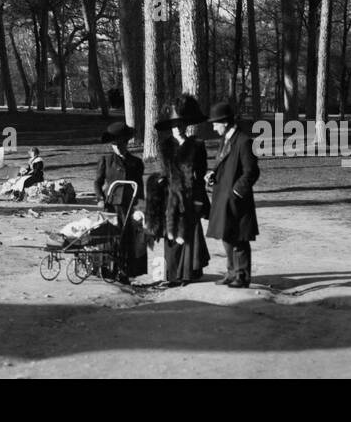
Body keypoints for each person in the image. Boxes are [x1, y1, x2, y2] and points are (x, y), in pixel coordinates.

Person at [154, 95, 210, 287]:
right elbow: (164, 171)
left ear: (186, 125)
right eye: (173, 124)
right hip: (171, 196)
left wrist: (201, 198)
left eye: (181, 124)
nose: (177, 127)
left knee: (189, 233)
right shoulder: (165, 146)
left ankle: (188, 273)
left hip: (190, 195)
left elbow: (201, 173)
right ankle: (172, 275)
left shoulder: (197, 145)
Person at [206, 100, 259, 288]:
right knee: (226, 236)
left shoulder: (244, 141)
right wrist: (213, 174)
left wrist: (236, 192)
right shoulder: (225, 140)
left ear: (225, 122)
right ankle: (231, 273)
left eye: (215, 123)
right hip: (222, 197)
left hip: (237, 200)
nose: (213, 127)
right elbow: (223, 165)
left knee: (240, 239)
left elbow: (252, 172)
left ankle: (242, 277)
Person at [93, 121, 145, 280]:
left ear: (126, 143)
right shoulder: (106, 160)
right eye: (114, 145)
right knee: (110, 238)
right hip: (111, 205)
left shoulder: (136, 162)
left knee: (128, 238)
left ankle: (126, 272)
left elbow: (139, 185)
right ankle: (108, 270)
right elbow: (97, 182)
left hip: (129, 205)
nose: (118, 148)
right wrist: (100, 198)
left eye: (121, 144)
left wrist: (141, 204)